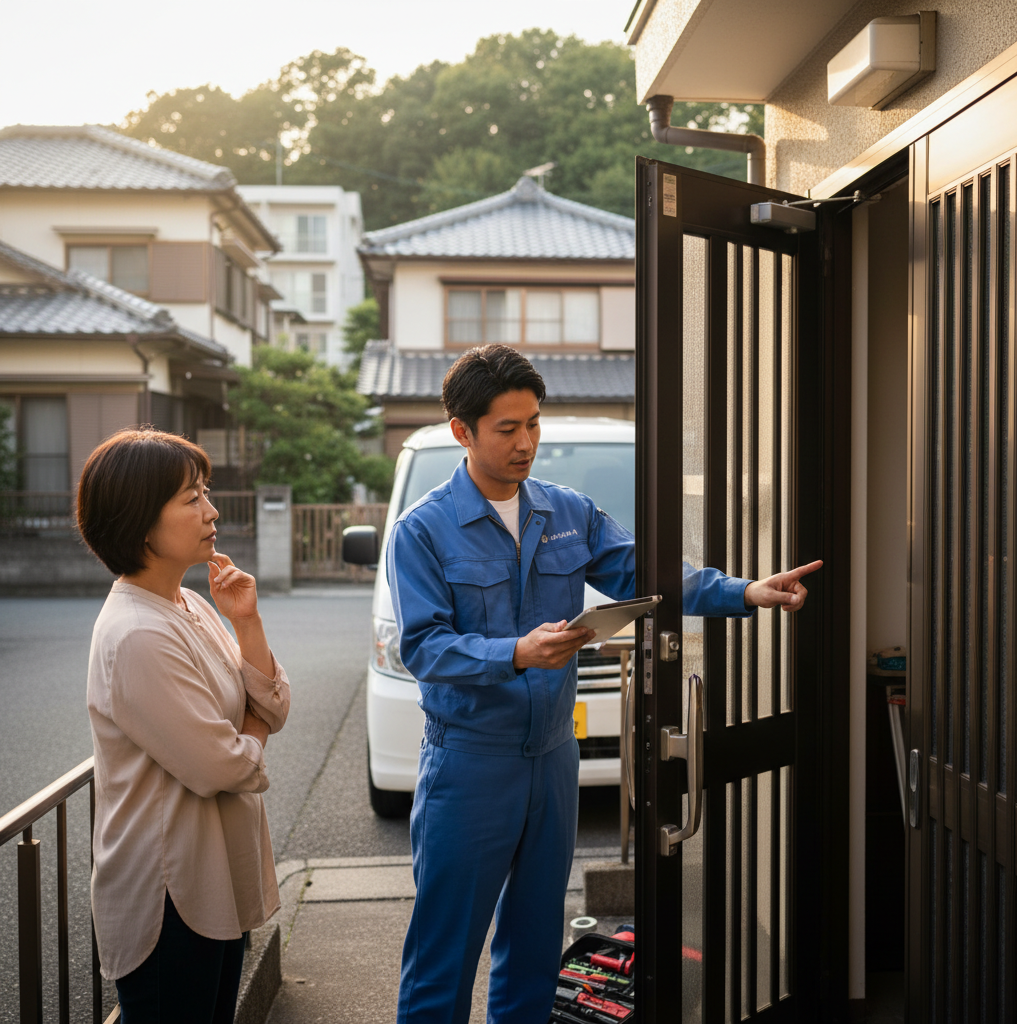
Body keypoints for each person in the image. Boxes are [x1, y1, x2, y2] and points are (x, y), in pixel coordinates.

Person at [388, 344, 822, 1024]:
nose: (526, 442)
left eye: (534, 423)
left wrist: (746, 591)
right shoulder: (423, 531)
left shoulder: (566, 511)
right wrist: (518, 653)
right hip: (471, 762)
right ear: (462, 431)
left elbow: (651, 575)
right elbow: (424, 647)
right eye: (508, 428)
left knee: (534, 948)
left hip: (552, 757)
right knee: (443, 959)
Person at [78, 428, 290, 1024]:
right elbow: (220, 766)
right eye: (191, 498)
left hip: (210, 877)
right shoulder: (137, 632)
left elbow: (273, 704)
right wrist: (253, 724)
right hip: (167, 896)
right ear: (141, 521)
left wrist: (245, 623)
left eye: (205, 493)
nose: (211, 510)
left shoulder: (188, 603)